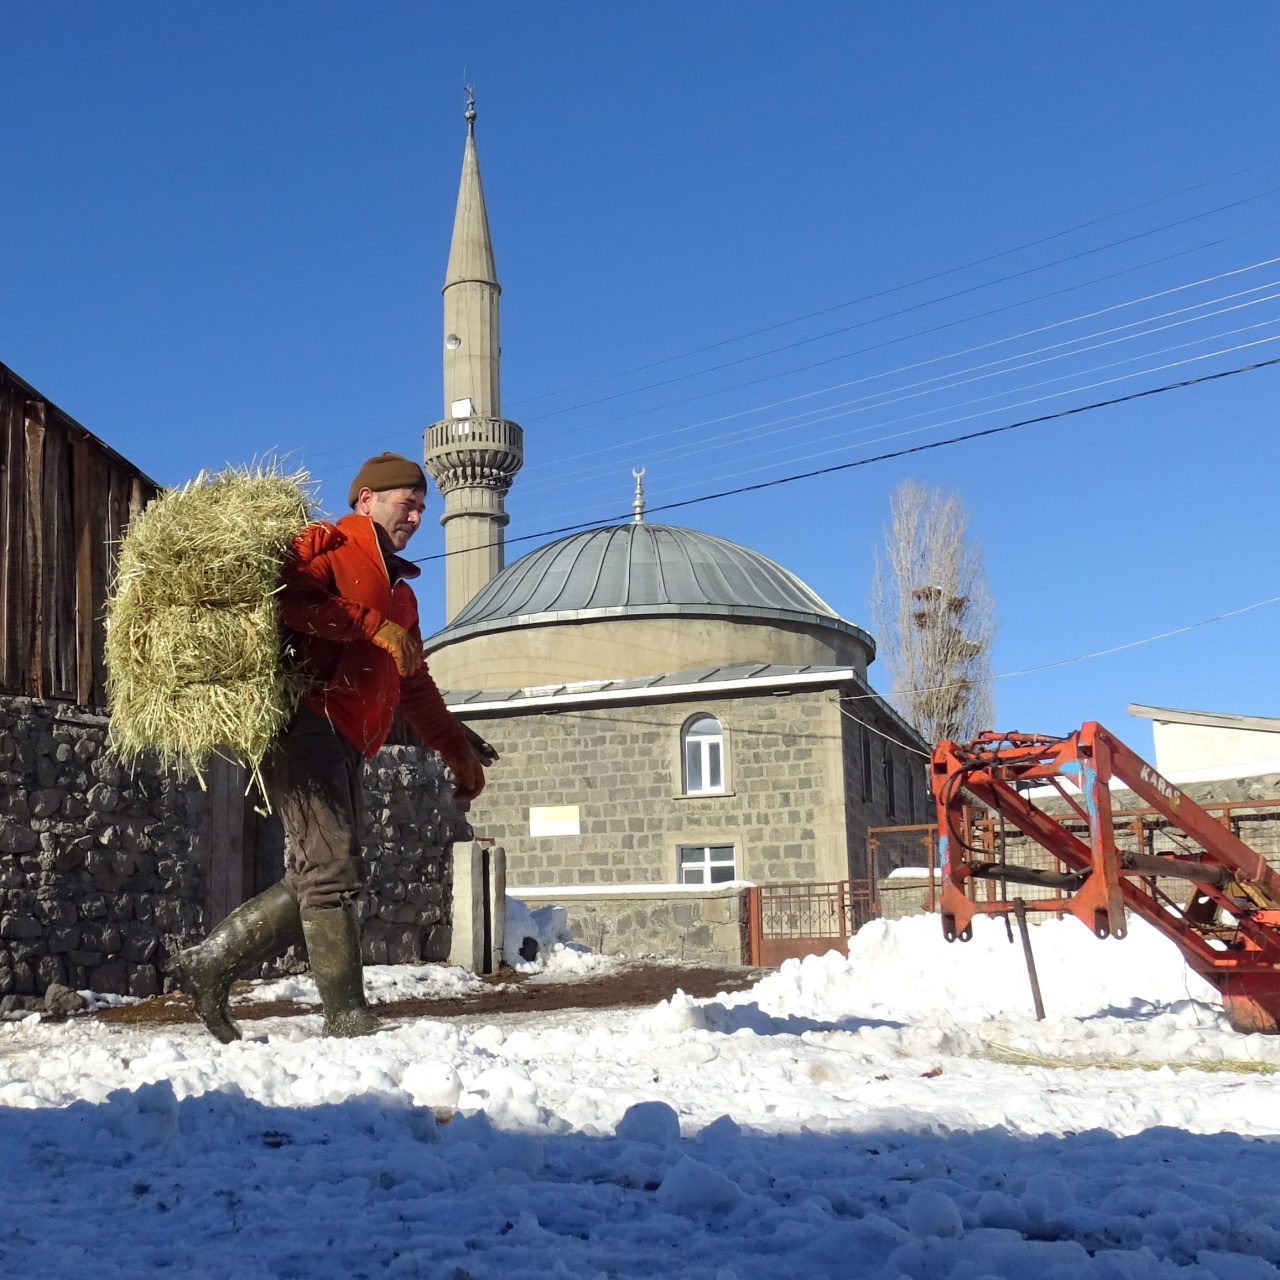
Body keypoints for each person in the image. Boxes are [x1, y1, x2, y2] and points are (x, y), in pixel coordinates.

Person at [173, 452, 484, 1041]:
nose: (416, 516)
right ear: (366, 499)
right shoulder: (328, 547)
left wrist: (455, 749)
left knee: (321, 875)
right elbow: (283, 602)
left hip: (350, 737)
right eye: (406, 503)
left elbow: (413, 683)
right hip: (305, 721)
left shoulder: (403, 595)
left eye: (422, 507)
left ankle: (209, 962)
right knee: (331, 871)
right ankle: (345, 1014)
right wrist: (369, 624)